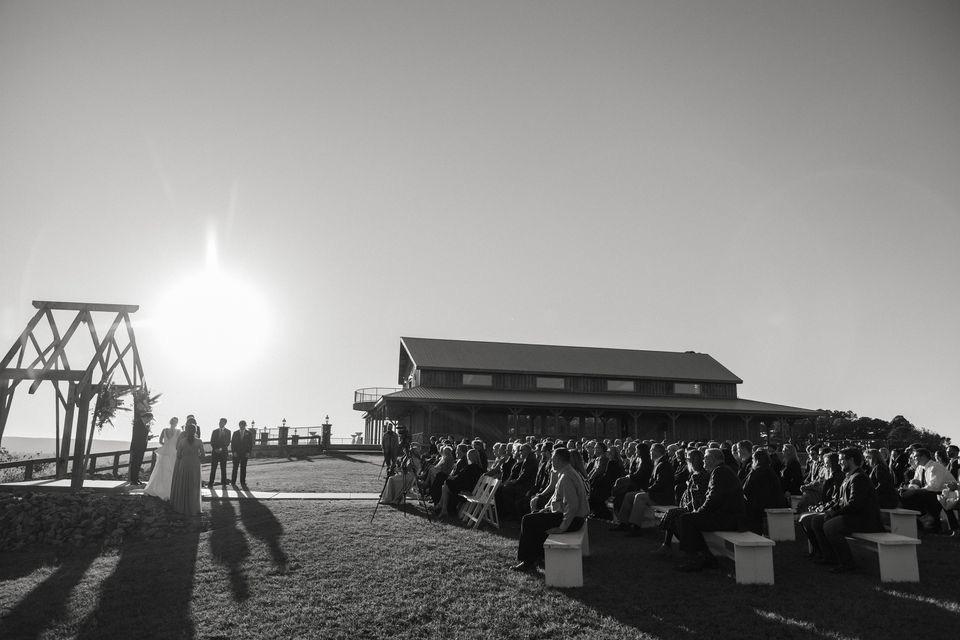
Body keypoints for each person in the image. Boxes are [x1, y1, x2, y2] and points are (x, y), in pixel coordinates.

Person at [511, 447, 590, 572]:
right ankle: (538, 556)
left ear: (558, 460)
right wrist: (547, 508)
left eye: (553, 459)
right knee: (535, 516)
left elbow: (572, 506)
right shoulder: (567, 473)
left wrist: (562, 528)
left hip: (574, 520)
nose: (551, 462)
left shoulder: (566, 477)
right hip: (573, 517)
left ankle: (527, 561)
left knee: (528, 520)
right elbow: (560, 500)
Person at [810, 448, 884, 573]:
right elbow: (840, 501)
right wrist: (830, 510)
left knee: (830, 526)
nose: (839, 463)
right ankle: (829, 556)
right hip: (853, 516)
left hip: (864, 519)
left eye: (841, 460)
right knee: (816, 521)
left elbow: (855, 505)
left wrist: (834, 513)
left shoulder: (859, 478)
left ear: (851, 460)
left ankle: (847, 563)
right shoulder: (849, 477)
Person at [676, 448, 746, 571]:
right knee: (687, 518)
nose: (703, 460)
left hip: (729, 518)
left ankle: (697, 558)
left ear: (713, 459)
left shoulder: (719, 472)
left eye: (706, 458)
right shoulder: (721, 471)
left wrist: (700, 512)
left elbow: (714, 498)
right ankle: (705, 556)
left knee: (687, 519)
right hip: (727, 516)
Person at [899, 447, 954, 533]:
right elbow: (916, 482)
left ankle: (925, 521)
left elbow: (934, 487)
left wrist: (916, 490)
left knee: (910, 496)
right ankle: (921, 521)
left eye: (915, 456)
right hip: (930, 493)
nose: (913, 459)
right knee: (903, 494)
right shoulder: (920, 468)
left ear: (923, 456)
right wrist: (909, 488)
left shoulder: (935, 467)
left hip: (945, 494)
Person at [742, 449, 788, 534]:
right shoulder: (771, 471)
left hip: (757, 507)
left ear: (756, 460)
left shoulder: (756, 472)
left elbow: (746, 489)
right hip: (772, 504)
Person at [170, 423, 204, 516]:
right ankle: (194, 507)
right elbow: (203, 455)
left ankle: (183, 506)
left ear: (186, 431)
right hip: (195, 464)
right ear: (195, 431)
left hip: (184, 463)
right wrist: (196, 456)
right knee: (194, 485)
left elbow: (178, 455)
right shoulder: (199, 441)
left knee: (184, 484)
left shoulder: (182, 441)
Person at [144, 417, 182, 500]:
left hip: (164, 451)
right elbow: (179, 443)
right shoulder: (179, 431)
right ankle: (169, 490)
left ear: (170, 422)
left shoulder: (164, 430)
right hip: (173, 452)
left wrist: (166, 444)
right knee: (171, 470)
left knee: (160, 470)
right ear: (176, 423)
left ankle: (157, 488)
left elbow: (160, 441)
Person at [128, 411, 153, 485]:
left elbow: (142, 436)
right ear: (146, 417)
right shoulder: (138, 423)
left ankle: (136, 478)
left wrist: (148, 437)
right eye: (150, 419)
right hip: (137, 446)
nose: (149, 421)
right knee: (135, 463)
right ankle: (133, 480)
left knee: (138, 463)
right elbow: (137, 436)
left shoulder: (144, 424)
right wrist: (146, 436)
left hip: (141, 447)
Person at [208, 418, 231, 489]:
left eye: (222, 422)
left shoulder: (228, 431)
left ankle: (224, 483)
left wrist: (221, 449)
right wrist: (215, 449)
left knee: (223, 468)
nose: (220, 423)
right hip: (215, 452)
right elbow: (212, 441)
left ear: (225, 423)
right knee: (213, 468)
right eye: (219, 422)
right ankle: (211, 483)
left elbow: (227, 442)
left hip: (223, 452)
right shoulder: (214, 431)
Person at [230, 420, 255, 487]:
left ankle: (243, 482)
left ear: (245, 425)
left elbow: (250, 444)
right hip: (236, 453)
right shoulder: (235, 433)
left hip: (245, 453)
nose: (242, 426)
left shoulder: (249, 433)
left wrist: (248, 452)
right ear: (239, 425)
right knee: (235, 468)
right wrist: (234, 452)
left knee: (243, 468)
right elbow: (232, 443)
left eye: (243, 425)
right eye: (241, 425)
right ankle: (233, 482)